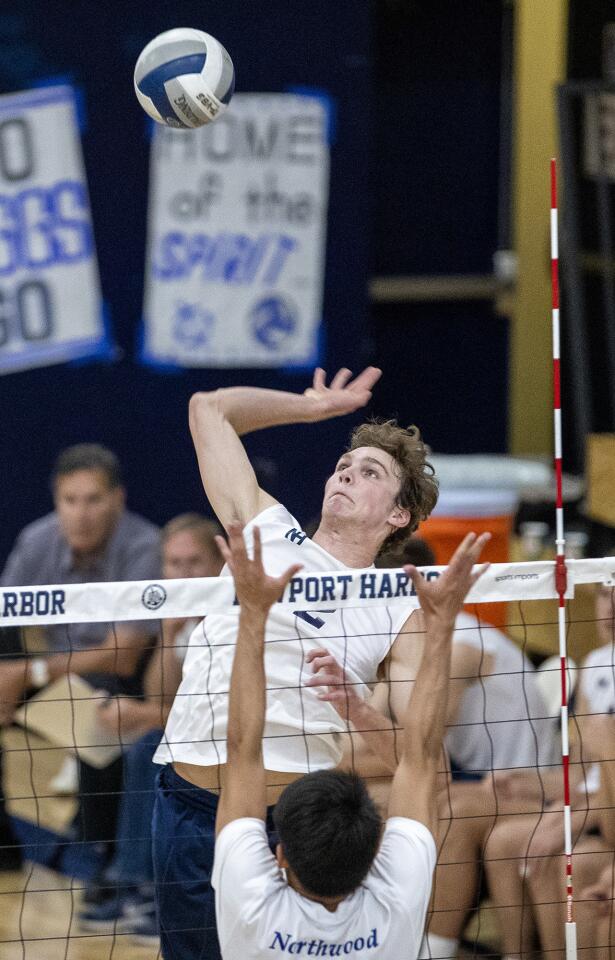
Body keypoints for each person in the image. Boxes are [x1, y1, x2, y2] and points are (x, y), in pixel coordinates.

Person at [152, 366, 441, 959]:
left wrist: (358, 708)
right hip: (185, 802)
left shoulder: (398, 610)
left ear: (399, 516)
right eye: (344, 465)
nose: (346, 473)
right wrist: (309, 408)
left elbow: (411, 754)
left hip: (293, 829)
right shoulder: (268, 531)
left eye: (370, 473)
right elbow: (209, 409)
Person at [212, 521, 489, 959]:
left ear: (280, 856)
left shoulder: (252, 908)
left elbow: (241, 747)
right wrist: (441, 626)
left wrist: (251, 612)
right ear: (374, 856)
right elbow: (422, 760)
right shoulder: (396, 901)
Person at [0, 443, 160, 870]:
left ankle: (102, 853)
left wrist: (28, 671)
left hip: (118, 681)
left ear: (117, 499)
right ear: (56, 499)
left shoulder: (144, 545)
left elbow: (124, 657)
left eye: (93, 500)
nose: (80, 513)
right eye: (70, 501)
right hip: (56, 675)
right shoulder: (37, 540)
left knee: (99, 702)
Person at [77, 513, 222, 945]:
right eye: (173, 564)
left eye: (193, 562)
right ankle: (122, 876)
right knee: (112, 738)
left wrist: (145, 715)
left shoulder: (228, 621)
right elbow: (162, 696)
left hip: (237, 739)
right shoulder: (182, 619)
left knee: (148, 745)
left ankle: (146, 886)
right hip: (194, 732)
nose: (182, 574)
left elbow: (215, 715)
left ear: (219, 563)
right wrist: (168, 631)